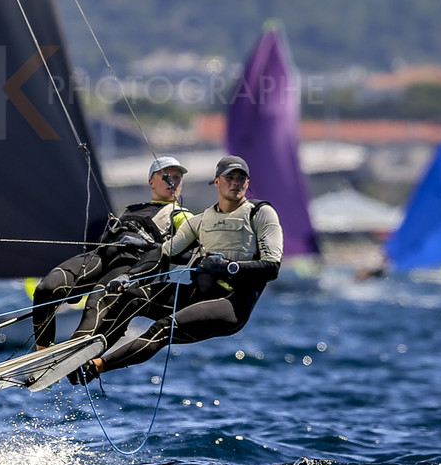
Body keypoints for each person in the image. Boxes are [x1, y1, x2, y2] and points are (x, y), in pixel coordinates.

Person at [84, 155, 282, 379]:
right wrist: (129, 276)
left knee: (163, 328)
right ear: (217, 182)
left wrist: (229, 266)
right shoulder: (201, 220)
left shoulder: (261, 213)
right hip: (195, 295)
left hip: (230, 304)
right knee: (132, 295)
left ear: (247, 183)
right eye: (230, 178)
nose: (236, 183)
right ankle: (87, 350)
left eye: (241, 179)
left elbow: (272, 267)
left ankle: (96, 367)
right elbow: (164, 253)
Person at [31, 156, 192, 349]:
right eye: (166, 176)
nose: (172, 181)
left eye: (177, 177)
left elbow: (193, 245)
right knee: (46, 289)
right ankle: (42, 351)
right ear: (151, 182)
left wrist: (148, 246)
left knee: (97, 301)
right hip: (103, 257)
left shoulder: (181, 214)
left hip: (131, 266)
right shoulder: (135, 208)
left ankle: (73, 351)